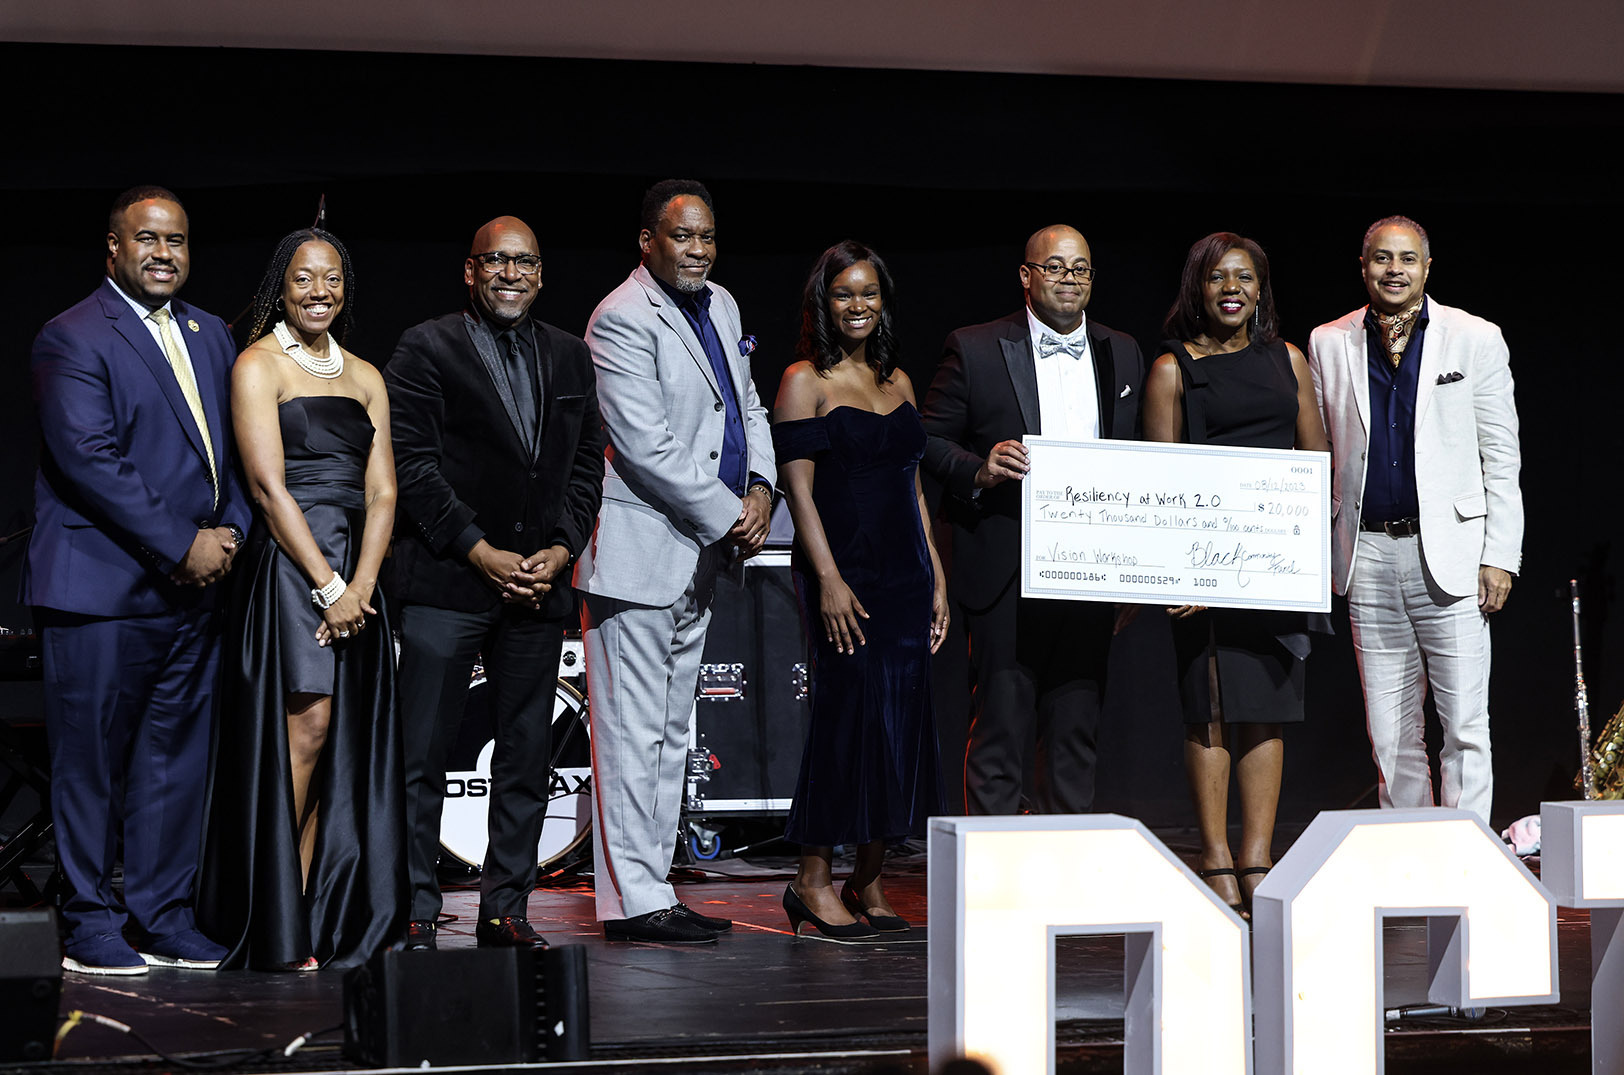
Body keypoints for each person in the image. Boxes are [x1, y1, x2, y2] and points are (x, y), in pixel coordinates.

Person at [24, 186, 250, 975]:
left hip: (195, 594)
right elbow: (92, 461)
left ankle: (163, 915)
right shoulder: (72, 335)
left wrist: (232, 536)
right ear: (113, 248)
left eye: (178, 240)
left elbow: (241, 451)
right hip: (100, 591)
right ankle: (90, 920)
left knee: (173, 762)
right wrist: (183, 542)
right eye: (148, 239)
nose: (165, 253)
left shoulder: (212, 334)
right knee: (90, 765)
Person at [386, 216, 605, 951]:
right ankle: (413, 907)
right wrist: (478, 549)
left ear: (541, 275)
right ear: (471, 272)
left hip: (539, 587)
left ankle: (505, 908)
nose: (511, 273)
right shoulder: (425, 347)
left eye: (525, 262)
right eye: (496, 261)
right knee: (421, 755)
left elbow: (583, 468)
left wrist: (561, 546)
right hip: (448, 580)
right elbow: (410, 465)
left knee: (526, 756)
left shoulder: (573, 357)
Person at [197, 229, 403, 970]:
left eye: (333, 280)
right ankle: (271, 913)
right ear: (280, 288)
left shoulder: (367, 375)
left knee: (341, 743)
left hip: (360, 574)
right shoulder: (258, 364)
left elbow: (384, 492)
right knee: (305, 733)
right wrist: (327, 585)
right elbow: (267, 489)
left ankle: (308, 918)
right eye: (304, 279)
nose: (319, 291)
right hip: (292, 568)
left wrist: (364, 584)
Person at [576, 179, 775, 945]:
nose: (697, 250)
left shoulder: (720, 304)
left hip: (698, 550)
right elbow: (644, 445)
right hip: (638, 553)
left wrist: (760, 485)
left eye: (707, 237)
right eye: (682, 236)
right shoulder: (621, 318)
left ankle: (651, 885)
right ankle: (631, 898)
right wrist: (733, 515)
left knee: (667, 733)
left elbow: (746, 406)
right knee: (630, 734)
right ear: (647, 241)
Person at [920, 225, 1143, 816]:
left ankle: (1062, 881)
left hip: (1092, 576)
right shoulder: (975, 346)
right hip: (1007, 573)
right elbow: (926, 440)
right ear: (1026, 276)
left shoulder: (1122, 350)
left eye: (1081, 269)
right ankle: (989, 885)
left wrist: (1137, 573)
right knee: (999, 729)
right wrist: (980, 468)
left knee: (1075, 735)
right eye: (1055, 268)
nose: (1069, 280)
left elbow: (1137, 460)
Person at [1307, 216, 1522, 826]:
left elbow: (1501, 455)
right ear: (1364, 266)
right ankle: (1409, 858)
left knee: (1464, 727)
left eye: (1407, 259)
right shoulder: (1330, 341)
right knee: (1390, 733)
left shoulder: (1474, 338)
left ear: (1428, 268)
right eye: (1381, 258)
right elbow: (1322, 451)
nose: (1394, 270)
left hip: (1449, 552)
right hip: (1367, 553)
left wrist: (1500, 554)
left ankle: (1469, 857)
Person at [1143, 232, 1329, 915]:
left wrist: (1303, 560)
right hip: (1203, 574)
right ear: (1198, 287)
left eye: (1245, 278)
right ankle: (1216, 853)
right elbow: (1159, 483)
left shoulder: (1288, 360)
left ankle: (1258, 854)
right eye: (1219, 277)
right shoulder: (1172, 369)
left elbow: (1316, 460)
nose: (1232, 289)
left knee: (1268, 712)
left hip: (1274, 567)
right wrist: (1179, 574)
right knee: (1213, 713)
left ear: (1260, 289)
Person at [772, 242, 949, 941]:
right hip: (846, 573)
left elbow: (912, 485)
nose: (858, 305)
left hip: (906, 574)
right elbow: (799, 490)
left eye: (869, 293)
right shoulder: (802, 380)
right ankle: (810, 881)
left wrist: (934, 567)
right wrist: (828, 578)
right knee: (846, 722)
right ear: (825, 300)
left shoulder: (899, 380)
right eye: (845, 293)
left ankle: (868, 878)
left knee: (901, 723)